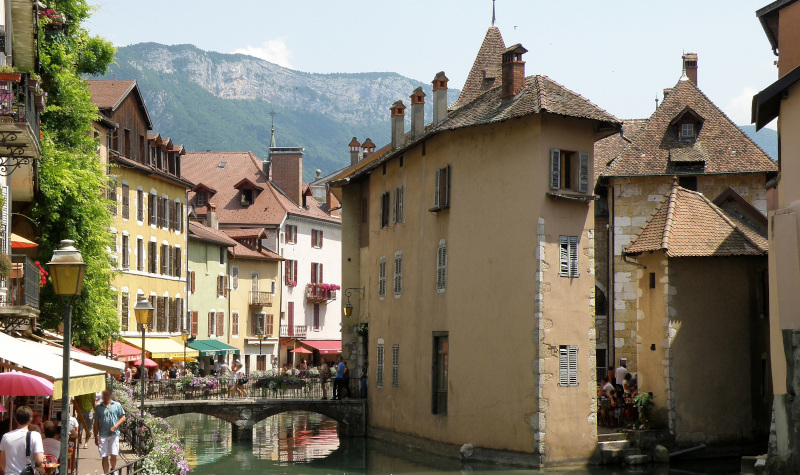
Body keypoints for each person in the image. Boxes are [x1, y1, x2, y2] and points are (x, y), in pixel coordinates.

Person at [0, 406, 44, 475]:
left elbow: (2, 461)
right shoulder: (35, 435)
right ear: (30, 420)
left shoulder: (6, 437)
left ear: (16, 420)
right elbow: (39, 460)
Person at [93, 389, 126, 474]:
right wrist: (95, 436)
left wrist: (115, 426)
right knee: (104, 456)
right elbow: (96, 423)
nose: (105, 397)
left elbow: (123, 417)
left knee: (114, 454)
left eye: (106, 395)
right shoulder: (99, 408)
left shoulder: (116, 405)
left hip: (114, 434)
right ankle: (106, 473)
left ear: (110, 395)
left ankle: (113, 469)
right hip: (103, 435)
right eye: (104, 395)